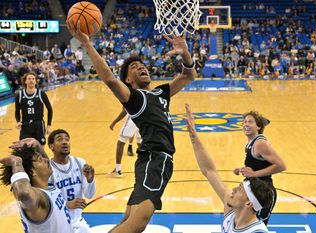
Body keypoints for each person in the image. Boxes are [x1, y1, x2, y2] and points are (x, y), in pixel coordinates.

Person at [67, 20, 196, 233]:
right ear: (128, 80)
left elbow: (189, 75)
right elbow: (109, 79)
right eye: (134, 68)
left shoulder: (160, 92)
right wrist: (87, 44)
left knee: (127, 222)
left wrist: (184, 53)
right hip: (155, 159)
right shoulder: (134, 98)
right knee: (136, 225)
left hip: (150, 161)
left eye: (142, 65)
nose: (141, 67)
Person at [185, 104, 272, 232]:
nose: (233, 189)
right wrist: (193, 136)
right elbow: (209, 171)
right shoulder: (232, 212)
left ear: (248, 204)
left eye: (240, 189)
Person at [0, 138, 73, 233]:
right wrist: (16, 162)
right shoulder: (39, 198)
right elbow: (23, 194)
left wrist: (38, 145)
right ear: (33, 172)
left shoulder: (48, 186)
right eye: (40, 159)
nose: (46, 159)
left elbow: (46, 165)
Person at [234, 111, 286, 224]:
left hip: (264, 193)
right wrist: (243, 169)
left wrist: (253, 174)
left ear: (258, 126)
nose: (246, 124)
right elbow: (256, 165)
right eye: (244, 122)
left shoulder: (260, 143)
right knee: (243, 225)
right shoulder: (250, 143)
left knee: (255, 227)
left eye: (250, 122)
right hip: (253, 191)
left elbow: (281, 166)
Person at [48, 129, 96, 233]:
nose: (65, 142)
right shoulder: (47, 170)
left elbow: (89, 195)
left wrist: (90, 181)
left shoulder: (79, 162)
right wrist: (66, 205)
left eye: (67, 139)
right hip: (58, 225)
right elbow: (45, 204)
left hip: (78, 222)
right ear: (51, 146)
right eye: (59, 139)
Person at [15, 72, 53, 145]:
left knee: (40, 148)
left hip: (38, 124)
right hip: (25, 125)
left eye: (33, 79)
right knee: (24, 148)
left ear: (35, 81)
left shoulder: (41, 94)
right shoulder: (19, 95)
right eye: (29, 79)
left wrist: (49, 125)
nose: (31, 80)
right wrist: (18, 121)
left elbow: (50, 109)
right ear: (25, 81)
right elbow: (17, 111)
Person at [109, 108, 142, 176]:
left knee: (121, 142)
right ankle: (148, 166)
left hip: (133, 118)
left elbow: (125, 111)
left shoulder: (127, 97)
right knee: (140, 143)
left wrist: (114, 122)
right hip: (143, 118)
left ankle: (117, 170)